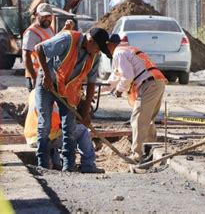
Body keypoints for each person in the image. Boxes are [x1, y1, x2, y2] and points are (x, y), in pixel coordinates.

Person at [34, 27, 114, 171]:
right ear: (90, 41)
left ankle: (69, 166)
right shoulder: (68, 39)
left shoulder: (94, 56)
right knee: (45, 123)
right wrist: (46, 74)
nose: (98, 52)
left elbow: (91, 83)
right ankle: (43, 165)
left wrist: (86, 112)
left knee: (69, 127)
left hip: (67, 89)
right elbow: (39, 48)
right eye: (97, 48)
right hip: (47, 84)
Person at [105, 35, 167, 163]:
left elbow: (127, 77)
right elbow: (115, 78)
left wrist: (119, 90)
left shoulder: (119, 53)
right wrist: (96, 91)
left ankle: (137, 155)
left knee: (138, 119)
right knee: (147, 119)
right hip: (157, 81)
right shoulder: (127, 50)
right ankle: (151, 150)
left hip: (148, 85)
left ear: (110, 44)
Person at [24, 89, 105, 173]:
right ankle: (88, 165)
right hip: (48, 137)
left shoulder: (34, 92)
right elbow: (65, 123)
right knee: (82, 130)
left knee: (55, 132)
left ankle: (56, 163)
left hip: (32, 137)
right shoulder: (57, 94)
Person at [22, 3, 55, 91]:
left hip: (46, 74)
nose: (47, 19)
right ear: (37, 15)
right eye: (44, 16)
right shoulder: (31, 32)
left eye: (49, 16)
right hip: (36, 75)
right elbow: (26, 55)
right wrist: (33, 77)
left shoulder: (50, 29)